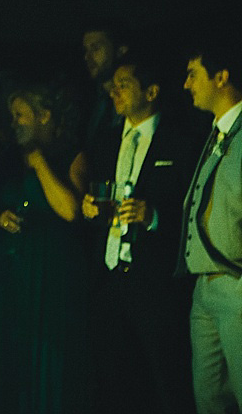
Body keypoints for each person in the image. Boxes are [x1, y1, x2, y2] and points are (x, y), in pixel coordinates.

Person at [81, 52, 195, 414]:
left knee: (165, 380)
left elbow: (193, 211)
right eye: (112, 86)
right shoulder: (106, 138)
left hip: (156, 282)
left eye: (124, 85)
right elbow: (96, 196)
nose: (114, 92)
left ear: (151, 91)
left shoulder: (179, 140)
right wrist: (89, 208)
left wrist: (155, 216)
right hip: (110, 278)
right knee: (115, 381)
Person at [0, 80, 87, 414]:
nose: (14, 123)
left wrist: (39, 162)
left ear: (44, 116)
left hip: (51, 272)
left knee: (50, 358)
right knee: (14, 355)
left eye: (21, 115)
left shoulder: (70, 155)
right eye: (12, 116)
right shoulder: (6, 160)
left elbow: (70, 210)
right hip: (13, 273)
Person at [177, 32, 242, 414]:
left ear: (221, 77)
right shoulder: (215, 133)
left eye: (193, 74)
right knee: (210, 401)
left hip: (235, 285)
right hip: (204, 288)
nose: (186, 84)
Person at [81, 23, 129, 149]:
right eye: (86, 50)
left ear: (120, 51)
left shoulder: (135, 98)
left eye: (95, 48)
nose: (87, 57)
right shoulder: (87, 101)